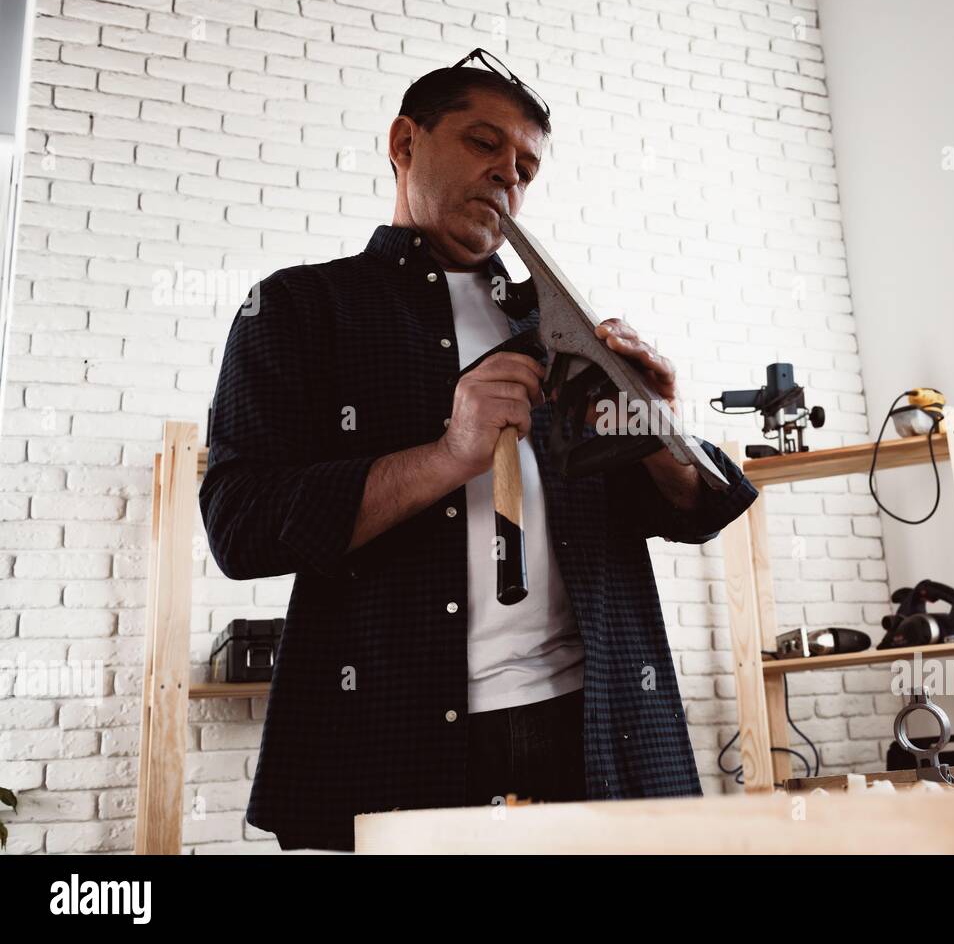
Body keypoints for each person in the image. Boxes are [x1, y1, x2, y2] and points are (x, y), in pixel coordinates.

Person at [199, 50, 759, 852]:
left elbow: (695, 510)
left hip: (600, 729)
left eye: (525, 165)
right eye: (481, 143)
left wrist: (653, 430)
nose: (507, 175)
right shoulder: (294, 309)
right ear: (403, 142)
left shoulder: (561, 325)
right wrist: (449, 454)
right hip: (388, 744)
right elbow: (241, 527)